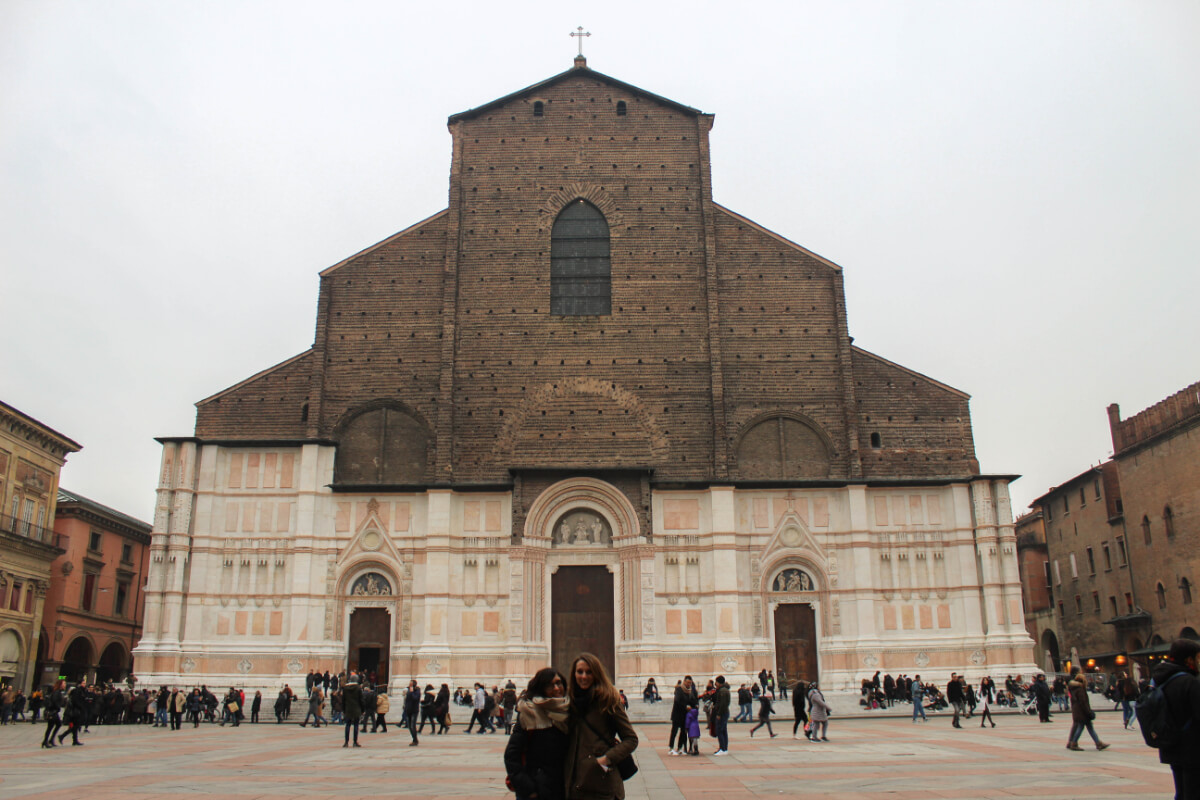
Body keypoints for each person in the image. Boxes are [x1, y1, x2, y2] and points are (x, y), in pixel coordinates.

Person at [564, 653, 638, 799]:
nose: (584, 676)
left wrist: (605, 759)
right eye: (580, 672)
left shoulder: (608, 701)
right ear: (573, 674)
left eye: (589, 672)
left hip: (603, 785)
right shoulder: (569, 702)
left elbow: (631, 739)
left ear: (596, 673)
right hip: (576, 784)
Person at [503, 667, 570, 800]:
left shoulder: (570, 713)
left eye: (559, 683)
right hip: (537, 791)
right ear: (541, 688)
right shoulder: (529, 713)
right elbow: (511, 756)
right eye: (550, 685)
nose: (557, 688)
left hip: (563, 790)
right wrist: (529, 790)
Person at [1150, 638, 1200, 799]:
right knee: (1193, 792)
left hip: (1170, 744)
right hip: (1192, 748)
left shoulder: (1159, 679)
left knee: (1181, 791)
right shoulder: (1190, 682)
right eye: (1197, 657)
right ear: (1188, 659)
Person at [1066, 666, 1109, 752]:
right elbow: (1083, 702)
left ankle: (1098, 743)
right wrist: (1088, 712)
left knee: (1087, 727)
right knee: (1082, 727)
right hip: (1082, 712)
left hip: (1078, 711)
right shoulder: (1080, 689)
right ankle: (1073, 743)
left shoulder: (1074, 688)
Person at [668, 676, 697, 756]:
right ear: (684, 682)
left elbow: (692, 701)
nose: (689, 684)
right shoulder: (679, 690)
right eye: (687, 682)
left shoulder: (691, 691)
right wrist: (685, 706)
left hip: (685, 715)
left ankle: (680, 747)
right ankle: (671, 748)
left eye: (690, 683)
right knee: (674, 731)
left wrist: (695, 704)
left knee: (683, 732)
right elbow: (677, 701)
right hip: (677, 714)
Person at [41, 679, 65, 748]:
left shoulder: (58, 692)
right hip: (52, 711)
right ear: (60, 685)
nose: (65, 685)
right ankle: (45, 741)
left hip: (54, 711)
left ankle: (50, 740)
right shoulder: (57, 692)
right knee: (50, 727)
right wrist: (58, 707)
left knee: (58, 724)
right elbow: (54, 701)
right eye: (64, 683)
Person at [342, 673, 363, 747]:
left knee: (347, 725)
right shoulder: (358, 688)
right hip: (356, 709)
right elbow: (361, 700)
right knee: (356, 726)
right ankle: (355, 742)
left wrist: (344, 710)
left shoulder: (345, 688)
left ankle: (346, 742)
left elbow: (343, 700)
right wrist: (362, 710)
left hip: (348, 709)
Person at [711, 675, 731, 755]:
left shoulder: (722, 691)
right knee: (724, 731)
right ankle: (724, 748)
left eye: (716, 682)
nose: (715, 684)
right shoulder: (725, 690)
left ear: (719, 682)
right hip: (725, 712)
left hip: (722, 713)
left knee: (719, 730)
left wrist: (718, 714)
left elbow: (722, 704)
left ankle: (722, 748)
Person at [403, 679, 420, 746]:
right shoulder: (408, 690)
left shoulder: (417, 691)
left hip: (414, 710)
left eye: (411, 684)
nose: (409, 685)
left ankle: (415, 740)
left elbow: (415, 698)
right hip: (408, 710)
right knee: (410, 726)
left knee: (413, 725)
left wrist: (412, 692)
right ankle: (414, 739)